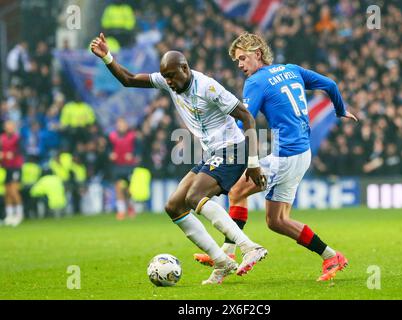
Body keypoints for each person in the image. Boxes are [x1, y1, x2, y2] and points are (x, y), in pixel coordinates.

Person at [90, 33, 268, 284]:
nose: (169, 82)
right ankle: (221, 261)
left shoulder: (208, 87)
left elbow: (248, 117)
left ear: (185, 68)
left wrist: (253, 162)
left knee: (194, 197)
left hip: (233, 149)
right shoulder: (167, 80)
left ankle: (249, 247)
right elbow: (129, 79)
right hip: (212, 153)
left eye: (172, 76)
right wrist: (107, 57)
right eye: (165, 77)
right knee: (174, 206)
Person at [194, 32, 358, 282]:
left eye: (243, 58)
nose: (239, 65)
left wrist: (228, 147)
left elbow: (244, 121)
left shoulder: (256, 82)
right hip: (302, 154)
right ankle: (331, 255)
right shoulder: (291, 69)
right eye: (237, 60)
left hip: (285, 155)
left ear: (257, 54)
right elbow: (331, 85)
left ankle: (226, 254)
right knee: (277, 220)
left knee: (237, 192)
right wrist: (340, 110)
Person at [108, 117, 140, 220]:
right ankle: (121, 211)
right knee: (118, 187)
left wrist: (133, 155)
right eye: (119, 124)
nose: (121, 126)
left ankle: (130, 206)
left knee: (128, 190)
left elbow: (138, 149)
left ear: (126, 125)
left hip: (129, 166)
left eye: (123, 124)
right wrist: (110, 154)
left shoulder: (133, 136)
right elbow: (107, 149)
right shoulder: (111, 136)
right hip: (117, 166)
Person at [0, 121, 25, 227]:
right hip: (6, 167)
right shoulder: (2, 138)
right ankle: (9, 216)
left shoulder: (18, 138)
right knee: (8, 191)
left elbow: (21, 150)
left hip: (16, 167)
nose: (10, 128)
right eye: (8, 126)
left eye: (11, 126)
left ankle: (19, 215)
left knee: (14, 190)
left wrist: (12, 154)